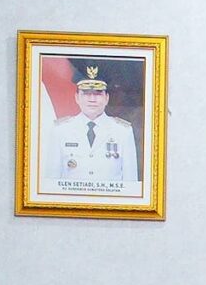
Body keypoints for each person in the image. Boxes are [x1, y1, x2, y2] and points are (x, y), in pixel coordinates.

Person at [41, 64, 142, 197]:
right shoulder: (60, 131)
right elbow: (51, 183)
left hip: (110, 204)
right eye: (86, 93)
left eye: (98, 93)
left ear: (107, 98)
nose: (92, 99)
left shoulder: (123, 132)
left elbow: (130, 184)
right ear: (77, 97)